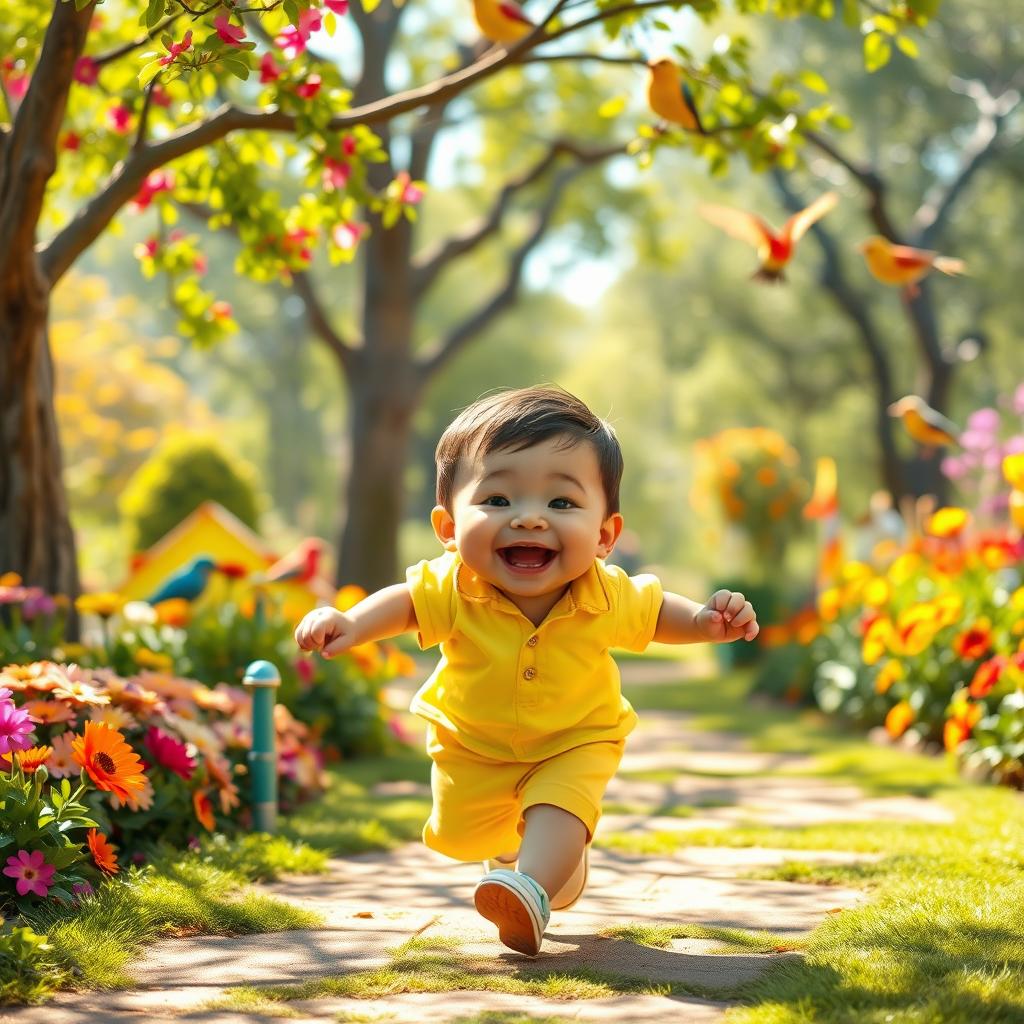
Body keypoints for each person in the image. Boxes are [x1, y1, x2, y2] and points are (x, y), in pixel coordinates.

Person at [294, 385, 759, 957]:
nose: (531, 520)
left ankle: (532, 892)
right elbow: (405, 602)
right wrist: (352, 622)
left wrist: (707, 622)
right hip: (473, 743)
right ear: (447, 526)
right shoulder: (454, 586)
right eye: (498, 500)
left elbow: (658, 610)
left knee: (561, 804)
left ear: (606, 536)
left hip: (576, 736)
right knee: (466, 832)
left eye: (561, 504)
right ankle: (517, 860)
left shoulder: (606, 592)